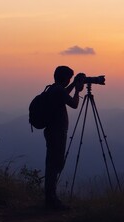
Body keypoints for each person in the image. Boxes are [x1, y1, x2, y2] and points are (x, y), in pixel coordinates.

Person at [44, 66, 84, 210]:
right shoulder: (58, 90)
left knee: (52, 163)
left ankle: (50, 197)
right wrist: (78, 91)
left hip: (52, 131)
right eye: (69, 78)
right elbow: (73, 104)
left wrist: (73, 84)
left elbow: (64, 94)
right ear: (64, 78)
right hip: (57, 132)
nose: (69, 81)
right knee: (54, 164)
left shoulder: (54, 88)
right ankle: (51, 199)